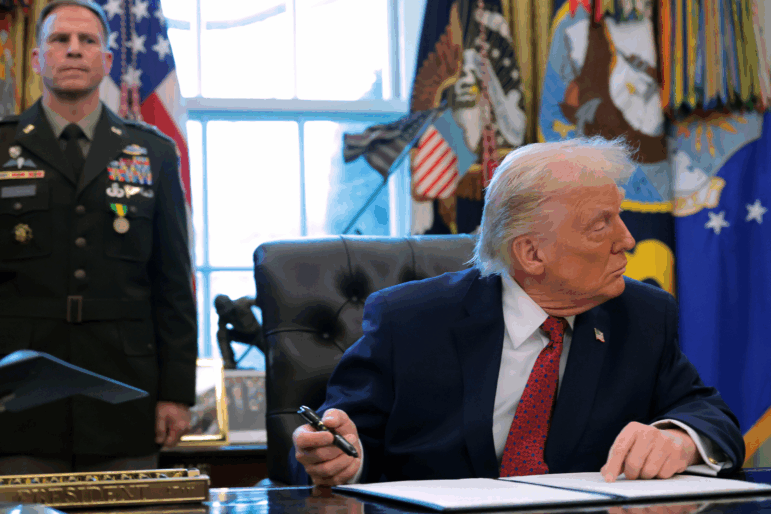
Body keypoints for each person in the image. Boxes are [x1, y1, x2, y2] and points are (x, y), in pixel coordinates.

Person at [290, 137, 745, 485]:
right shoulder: (409, 321)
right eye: (601, 224)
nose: (627, 240)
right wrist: (338, 459)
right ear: (531, 254)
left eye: (619, 216)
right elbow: (332, 447)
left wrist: (679, 439)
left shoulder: (642, 316)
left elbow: (710, 415)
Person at [0, 0, 196, 473]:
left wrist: (176, 394)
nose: (73, 51)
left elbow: (172, 284)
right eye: (59, 40)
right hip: (18, 397)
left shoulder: (152, 152)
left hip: (124, 392)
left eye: (88, 41)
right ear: (36, 58)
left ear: (106, 61)